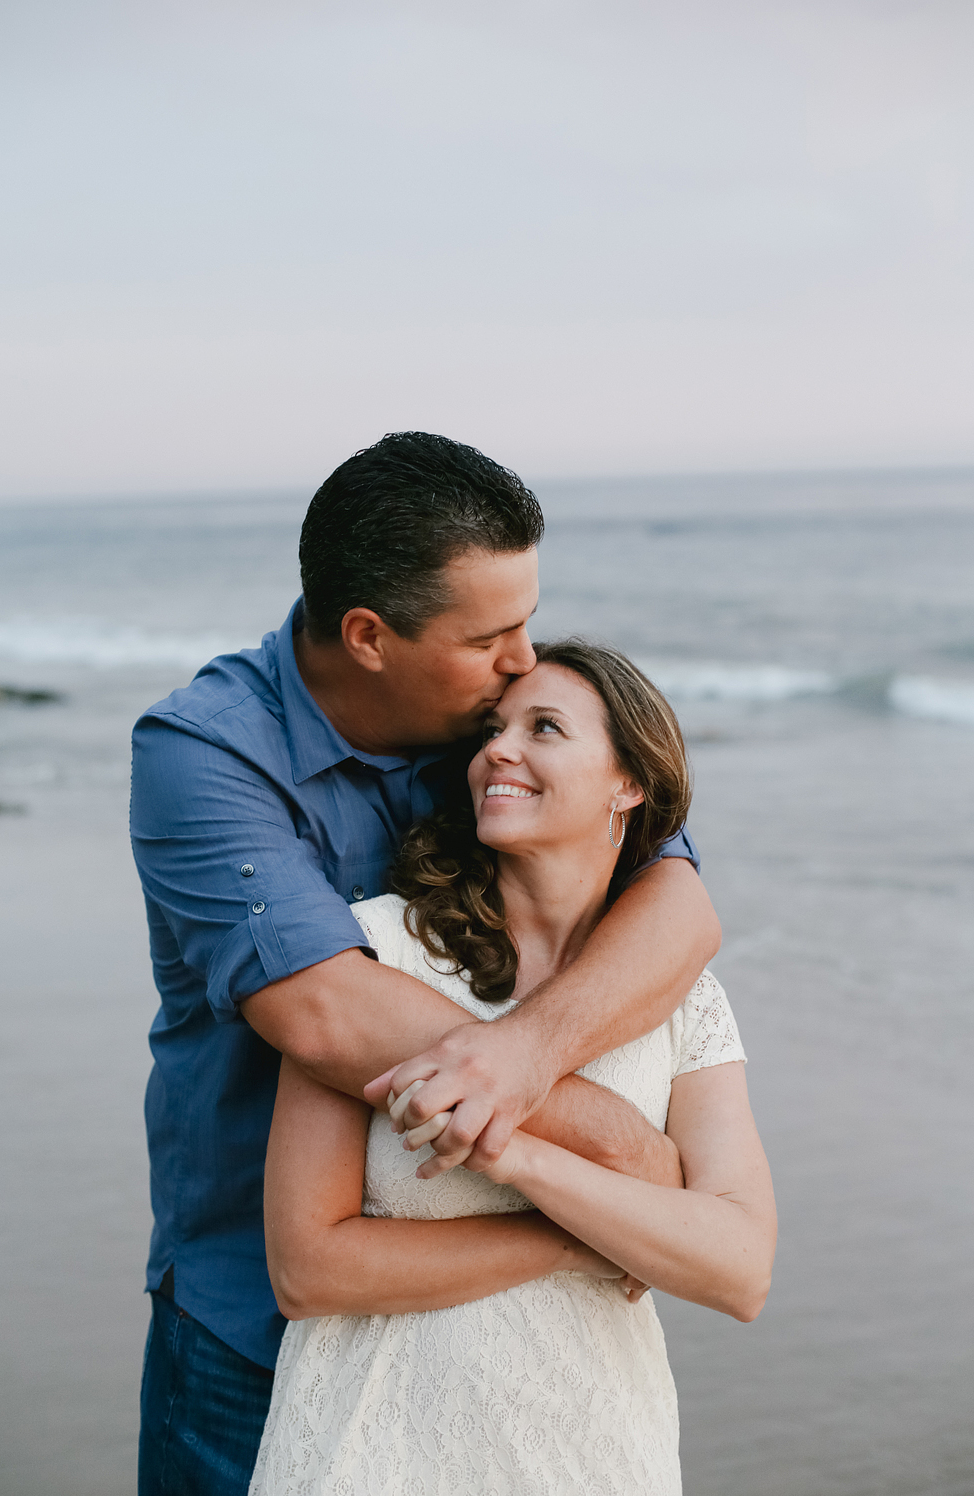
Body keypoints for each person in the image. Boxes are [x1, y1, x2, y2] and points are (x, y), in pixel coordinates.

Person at [129, 433, 723, 1495]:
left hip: (492, 1342)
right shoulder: (203, 754)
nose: (520, 658)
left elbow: (675, 900)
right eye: (489, 634)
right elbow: (321, 1015)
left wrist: (527, 1056)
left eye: (526, 622)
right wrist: (617, 1151)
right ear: (367, 634)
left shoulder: (491, 731)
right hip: (255, 1314)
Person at [250, 640, 775, 1493]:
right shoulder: (375, 957)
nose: (498, 748)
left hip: (596, 1450)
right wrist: (573, 1242)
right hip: (374, 1451)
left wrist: (515, 1149)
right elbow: (308, 1269)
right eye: (494, 728)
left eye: (546, 728)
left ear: (628, 783)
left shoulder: (684, 998)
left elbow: (741, 1269)